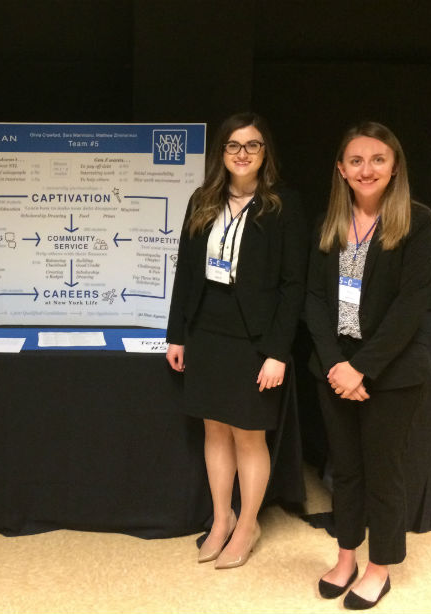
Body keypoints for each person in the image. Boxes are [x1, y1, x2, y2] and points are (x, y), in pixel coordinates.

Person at [165, 112, 307, 569]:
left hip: (255, 337)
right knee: (214, 429)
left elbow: (293, 286)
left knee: (248, 436)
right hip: (206, 331)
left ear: (266, 153)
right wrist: (177, 336)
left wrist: (277, 352)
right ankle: (221, 518)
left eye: (253, 145)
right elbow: (186, 272)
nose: (242, 154)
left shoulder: (283, 205)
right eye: (233, 146)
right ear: (221, 154)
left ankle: (248, 524)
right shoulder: (202, 200)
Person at [305, 121, 431, 609]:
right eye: (356, 160)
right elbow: (314, 301)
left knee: (383, 474)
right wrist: (338, 365)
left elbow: (410, 307)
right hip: (334, 370)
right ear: (341, 170)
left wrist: (363, 369)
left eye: (377, 159)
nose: (367, 169)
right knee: (346, 471)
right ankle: (346, 557)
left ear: (394, 165)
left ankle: (378, 568)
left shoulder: (418, 223)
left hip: (393, 374)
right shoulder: (327, 223)